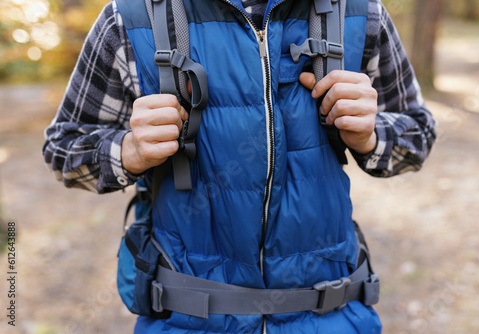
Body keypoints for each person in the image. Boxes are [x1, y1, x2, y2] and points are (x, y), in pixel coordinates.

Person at [43, 0, 437, 332]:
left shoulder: (358, 13)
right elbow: (64, 149)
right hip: (185, 319)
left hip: (332, 316)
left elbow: (416, 135)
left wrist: (370, 137)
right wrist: (129, 151)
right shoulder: (132, 17)